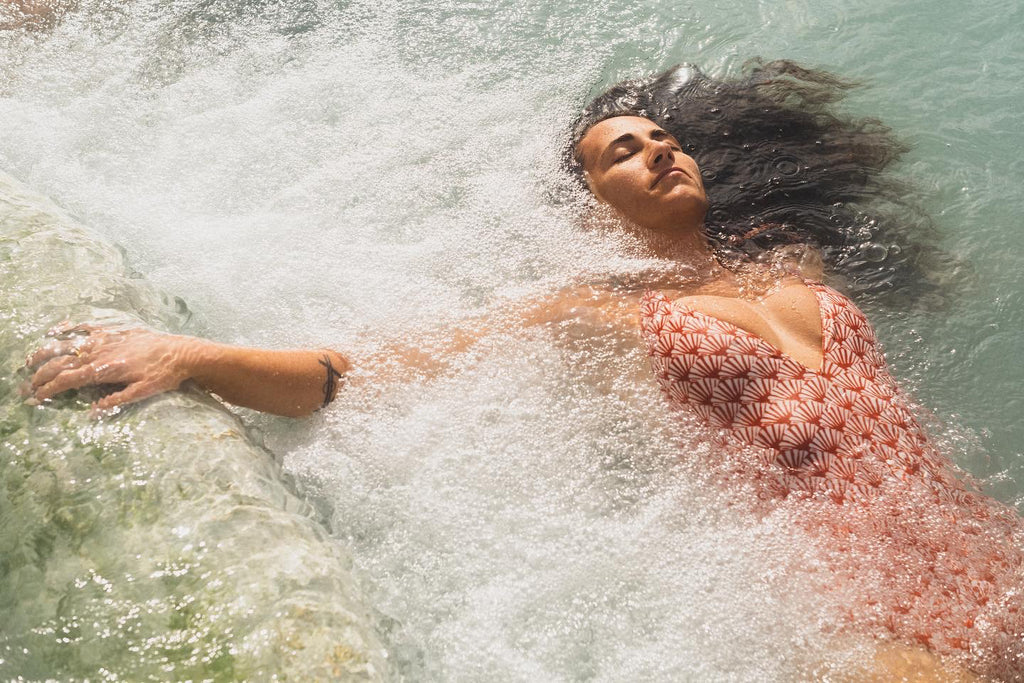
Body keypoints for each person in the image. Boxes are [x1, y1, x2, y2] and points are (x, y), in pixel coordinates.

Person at [25, 61, 1021, 677]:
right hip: (850, 594)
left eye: (664, 139)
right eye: (623, 152)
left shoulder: (782, 256)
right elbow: (360, 371)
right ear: (592, 202)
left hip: (976, 541)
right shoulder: (599, 314)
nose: (657, 151)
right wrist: (194, 354)